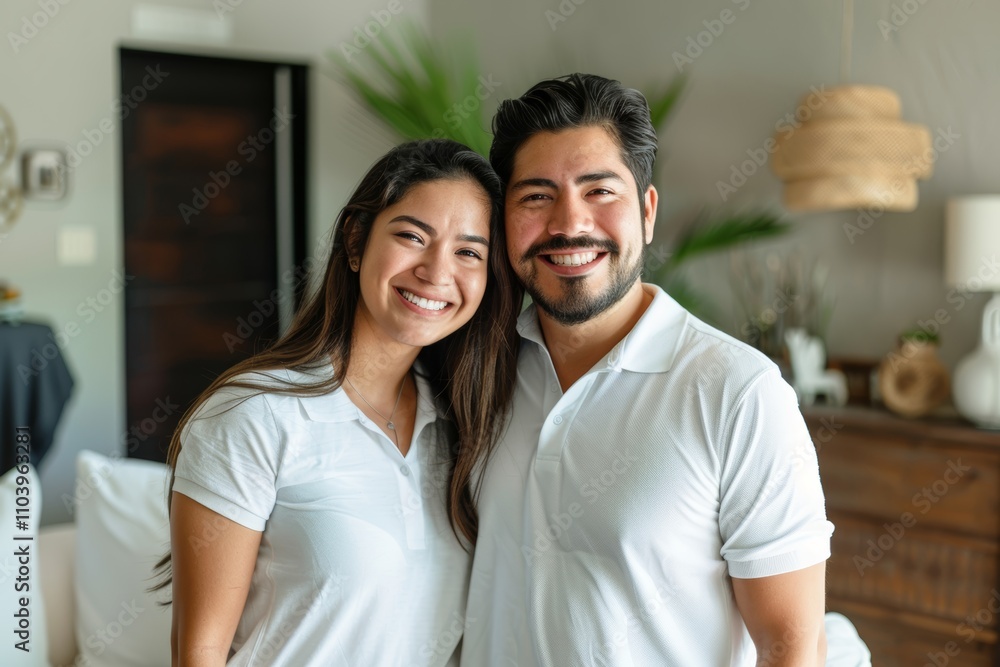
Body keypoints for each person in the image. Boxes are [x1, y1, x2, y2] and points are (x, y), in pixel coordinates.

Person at [460, 73, 837, 666]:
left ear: (648, 211)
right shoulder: (475, 371)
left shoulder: (739, 393)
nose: (569, 223)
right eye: (536, 196)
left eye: (600, 191)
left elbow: (793, 647)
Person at [152, 138, 521, 666]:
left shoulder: (466, 426)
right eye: (413, 236)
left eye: (468, 252)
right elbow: (198, 656)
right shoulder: (251, 416)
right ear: (354, 241)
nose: (437, 272)